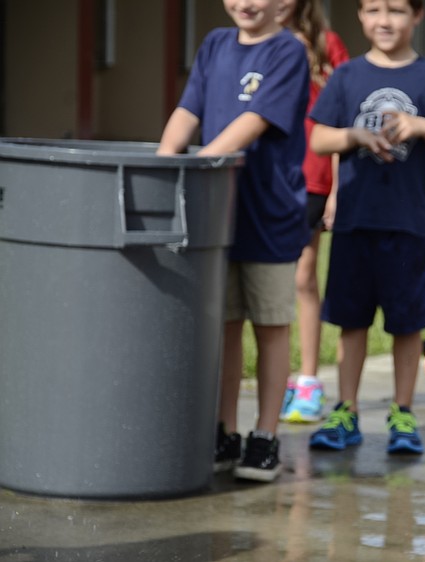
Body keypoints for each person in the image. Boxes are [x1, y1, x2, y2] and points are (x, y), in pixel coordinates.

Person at [306, 0, 425, 455]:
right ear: (359, 15)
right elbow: (318, 137)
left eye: (396, 10)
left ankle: (403, 410)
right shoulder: (347, 76)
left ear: (417, 16)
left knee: (406, 323)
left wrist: (421, 126)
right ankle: (347, 409)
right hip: (356, 221)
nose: (384, 20)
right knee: (351, 321)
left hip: (408, 224)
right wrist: (354, 136)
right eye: (373, 9)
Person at [158, 0, 310, 482]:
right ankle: (224, 429)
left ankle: (264, 434)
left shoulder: (288, 52)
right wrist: (165, 162)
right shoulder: (215, 45)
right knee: (223, 326)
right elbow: (189, 107)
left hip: (268, 215)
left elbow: (254, 122)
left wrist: (200, 164)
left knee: (269, 325)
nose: (245, 3)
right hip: (216, 217)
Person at [276, 0, 350, 424]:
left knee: (303, 276)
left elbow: (341, 117)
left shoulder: (328, 44)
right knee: (272, 282)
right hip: (271, 180)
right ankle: (280, 377)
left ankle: (307, 380)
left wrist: (338, 187)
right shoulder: (261, 42)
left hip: (314, 177)